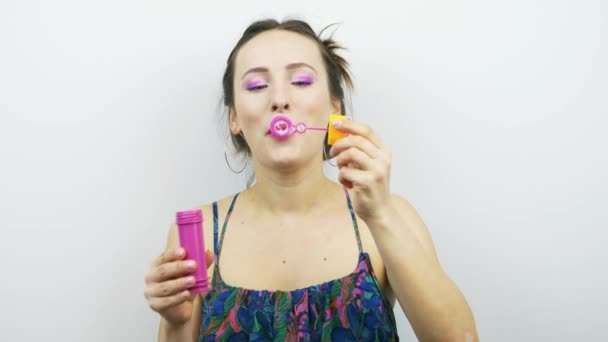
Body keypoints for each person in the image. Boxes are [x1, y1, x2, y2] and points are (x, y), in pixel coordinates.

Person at [144, 18, 478, 342]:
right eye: (257, 85)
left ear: (334, 109)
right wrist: (174, 321)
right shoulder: (198, 231)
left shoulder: (387, 218)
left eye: (301, 81)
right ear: (235, 119)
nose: (279, 100)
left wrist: (380, 214)